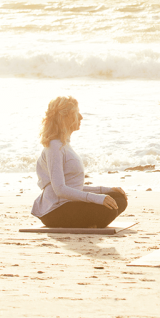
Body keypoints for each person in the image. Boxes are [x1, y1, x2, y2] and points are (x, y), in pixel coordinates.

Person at [32, 96, 128, 228]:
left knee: (118, 197)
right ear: (66, 118)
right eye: (77, 113)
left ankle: (92, 220)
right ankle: (91, 221)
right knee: (107, 209)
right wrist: (98, 198)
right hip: (56, 210)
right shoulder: (54, 146)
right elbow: (60, 190)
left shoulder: (64, 145)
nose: (81, 117)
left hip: (68, 204)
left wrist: (106, 190)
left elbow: (73, 188)